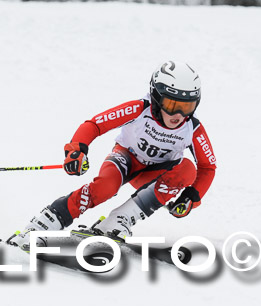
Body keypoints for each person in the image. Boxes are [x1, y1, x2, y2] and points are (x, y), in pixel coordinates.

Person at [12, 60, 217, 249]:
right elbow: (95, 125)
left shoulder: (193, 128)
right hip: (126, 159)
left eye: (187, 107)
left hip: (154, 175)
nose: (178, 116)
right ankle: (45, 223)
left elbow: (208, 167)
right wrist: (76, 150)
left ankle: (118, 221)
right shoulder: (139, 108)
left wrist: (192, 197)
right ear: (156, 97)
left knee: (187, 169)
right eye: (171, 106)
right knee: (105, 188)